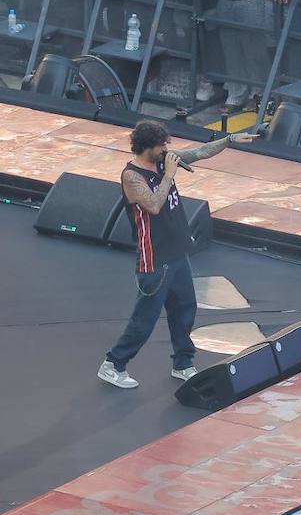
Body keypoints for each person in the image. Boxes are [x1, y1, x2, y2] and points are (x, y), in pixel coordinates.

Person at [99, 120, 257, 389]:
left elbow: (198, 153)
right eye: (161, 146)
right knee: (145, 319)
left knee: (185, 309)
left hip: (177, 252)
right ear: (147, 147)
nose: (166, 149)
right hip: (155, 258)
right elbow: (153, 205)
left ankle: (183, 363)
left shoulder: (163, 160)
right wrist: (169, 175)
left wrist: (229, 140)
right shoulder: (132, 176)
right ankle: (114, 364)